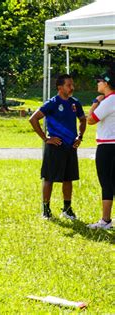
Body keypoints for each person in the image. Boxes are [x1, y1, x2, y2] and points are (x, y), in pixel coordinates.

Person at [29, 74, 86, 220]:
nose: (72, 87)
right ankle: (46, 210)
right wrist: (46, 138)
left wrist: (80, 137)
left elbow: (82, 119)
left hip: (70, 146)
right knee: (49, 178)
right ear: (60, 87)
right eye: (68, 85)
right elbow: (33, 119)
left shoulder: (75, 103)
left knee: (68, 179)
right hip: (55, 147)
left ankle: (67, 209)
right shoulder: (52, 103)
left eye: (72, 84)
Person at [86, 70, 115, 230]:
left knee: (106, 183)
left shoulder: (108, 101)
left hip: (107, 146)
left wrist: (96, 102)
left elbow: (90, 119)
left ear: (106, 84)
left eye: (99, 81)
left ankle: (105, 220)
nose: (98, 84)